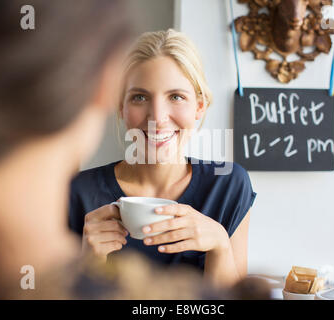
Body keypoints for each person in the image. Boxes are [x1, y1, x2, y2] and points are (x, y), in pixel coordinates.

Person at [69, 29, 257, 288]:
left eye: (176, 96)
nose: (157, 117)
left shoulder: (228, 185)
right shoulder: (78, 192)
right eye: (140, 97)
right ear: (121, 108)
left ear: (199, 107)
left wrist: (220, 247)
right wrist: (89, 264)